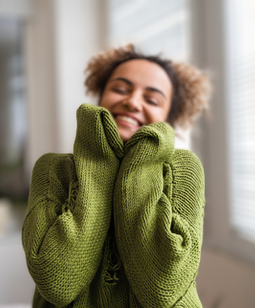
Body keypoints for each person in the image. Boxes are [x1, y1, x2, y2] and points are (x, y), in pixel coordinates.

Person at [22, 44, 211, 308]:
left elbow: (162, 289)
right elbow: (56, 281)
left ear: (168, 118)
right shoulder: (51, 169)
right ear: (100, 98)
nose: (132, 102)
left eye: (152, 100)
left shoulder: (185, 168)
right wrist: (99, 158)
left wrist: (143, 158)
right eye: (120, 89)